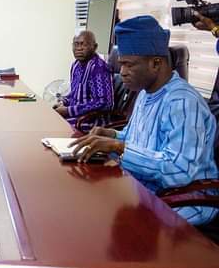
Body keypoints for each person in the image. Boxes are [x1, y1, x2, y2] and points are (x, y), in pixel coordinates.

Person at [70, 15, 218, 226]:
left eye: (129, 65)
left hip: (183, 200)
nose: (122, 73)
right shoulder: (146, 93)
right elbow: (136, 139)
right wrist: (112, 135)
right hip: (147, 189)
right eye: (121, 65)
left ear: (156, 63)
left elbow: (180, 171)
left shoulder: (182, 102)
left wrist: (119, 147)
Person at [53, 30, 113, 131]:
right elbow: (74, 94)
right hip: (76, 116)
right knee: (47, 120)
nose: (79, 48)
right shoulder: (76, 65)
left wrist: (68, 111)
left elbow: (104, 103)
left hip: (91, 122)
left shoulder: (98, 68)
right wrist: (63, 102)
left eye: (83, 44)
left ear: (95, 47)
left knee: (54, 127)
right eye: (76, 44)